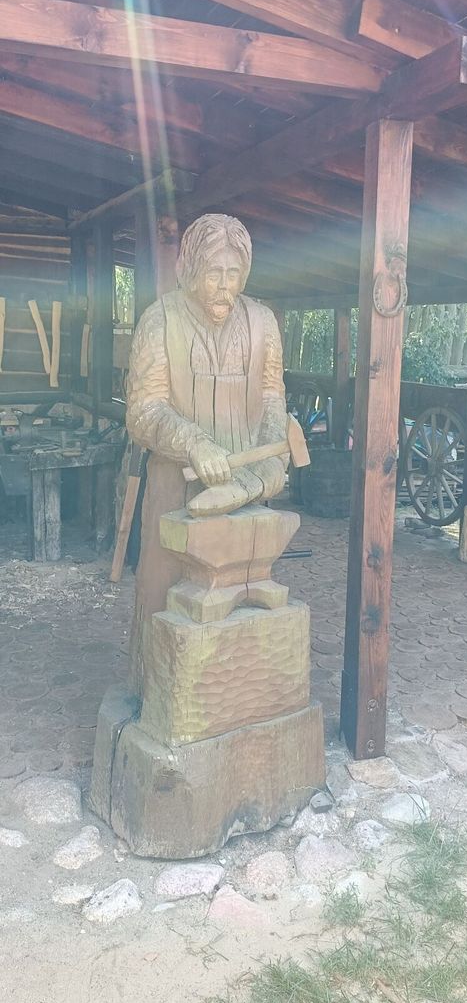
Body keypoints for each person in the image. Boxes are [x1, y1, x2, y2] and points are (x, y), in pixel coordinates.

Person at [126, 212, 287, 690]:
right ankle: (155, 694)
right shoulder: (160, 321)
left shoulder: (262, 323)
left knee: (244, 590)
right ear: (191, 268)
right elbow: (143, 411)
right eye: (214, 272)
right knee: (163, 598)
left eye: (234, 273)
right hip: (176, 489)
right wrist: (193, 442)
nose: (224, 285)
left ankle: (238, 694)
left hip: (245, 489)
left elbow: (272, 397)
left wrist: (272, 456)